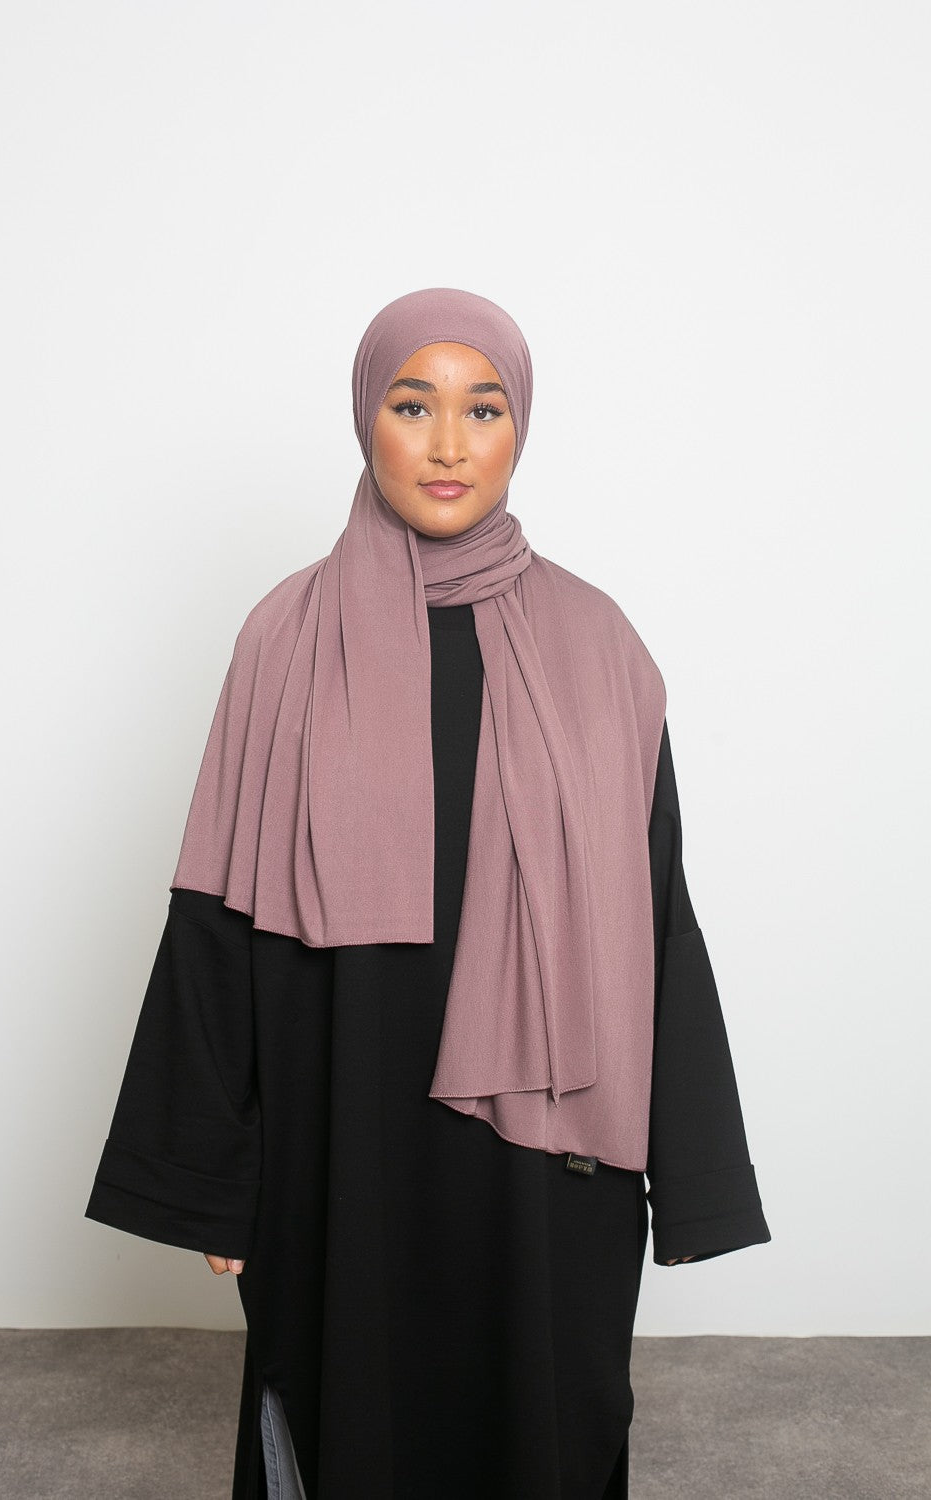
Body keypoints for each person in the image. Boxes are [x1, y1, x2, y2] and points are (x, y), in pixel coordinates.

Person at [85, 286, 771, 1500]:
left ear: (520, 428)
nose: (448, 443)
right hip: (338, 1137)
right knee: (345, 1418)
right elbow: (214, 914)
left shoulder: (599, 644)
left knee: (545, 1423)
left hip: (545, 1159)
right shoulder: (286, 636)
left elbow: (657, 915)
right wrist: (207, 1176)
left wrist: (695, 1177)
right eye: (413, 405)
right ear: (366, 418)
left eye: (482, 409)